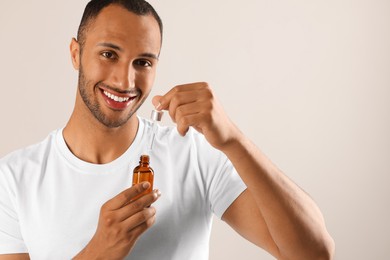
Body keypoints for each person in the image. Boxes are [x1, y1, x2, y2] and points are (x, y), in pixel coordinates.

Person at [0, 0, 335, 259]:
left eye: (143, 62)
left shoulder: (192, 152)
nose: (125, 80)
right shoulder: (15, 178)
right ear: (76, 53)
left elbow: (314, 253)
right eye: (108, 54)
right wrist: (98, 252)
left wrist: (234, 140)